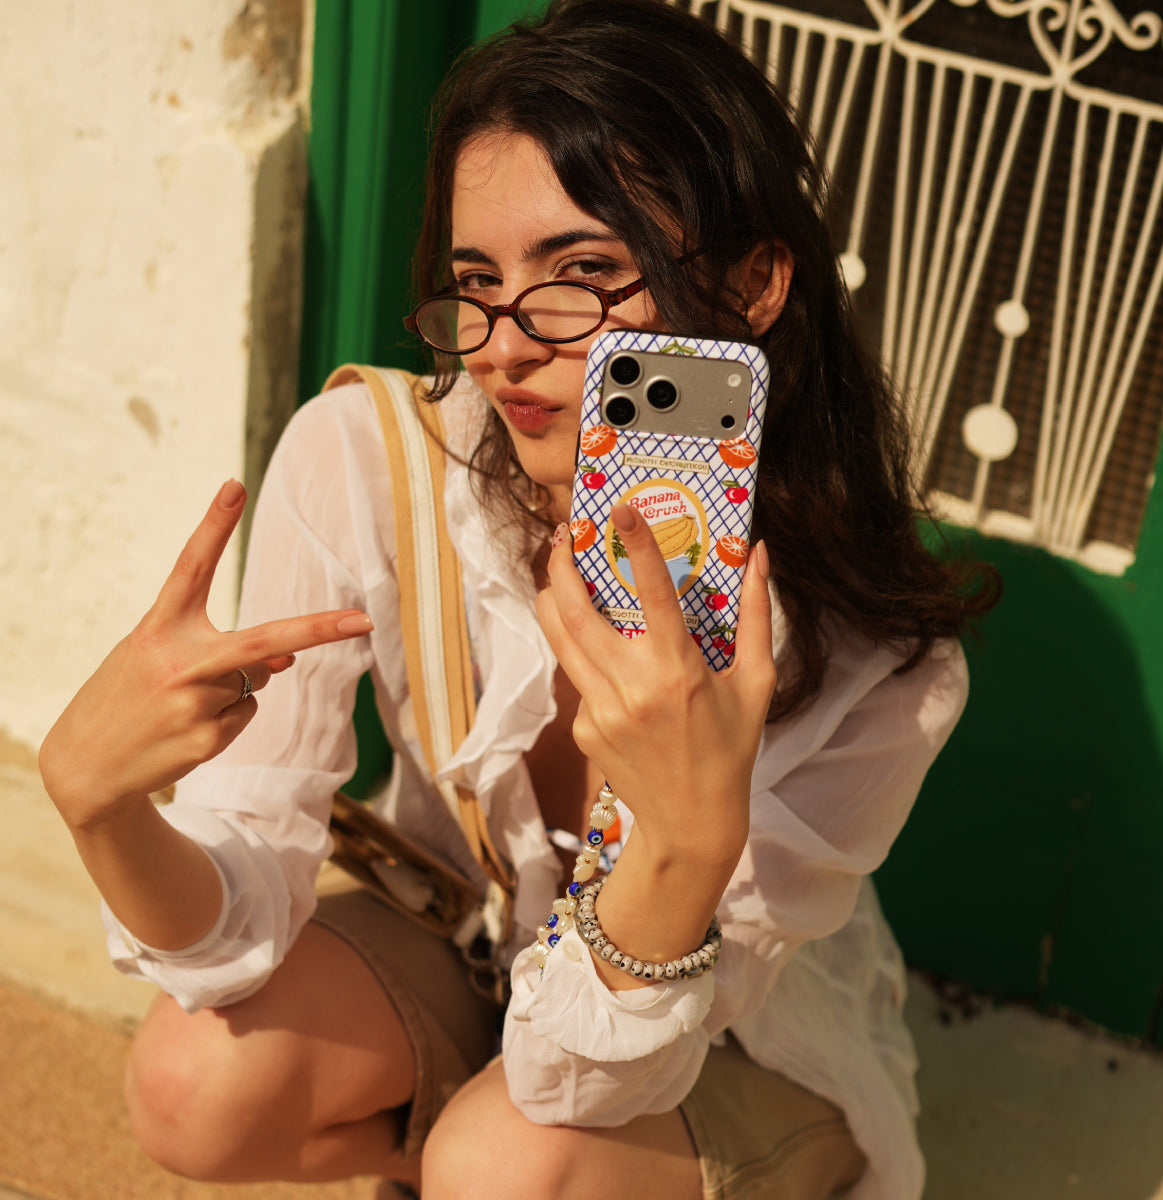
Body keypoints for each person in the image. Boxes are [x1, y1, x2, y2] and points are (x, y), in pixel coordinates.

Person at [38, 1, 999, 1197]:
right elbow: (239, 918)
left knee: (506, 1164)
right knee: (193, 1085)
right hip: (478, 944)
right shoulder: (371, 461)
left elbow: (588, 1087)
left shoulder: (876, 659)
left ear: (753, 284)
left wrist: (688, 839)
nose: (501, 348)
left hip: (715, 1040)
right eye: (477, 281)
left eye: (581, 274)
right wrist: (104, 812)